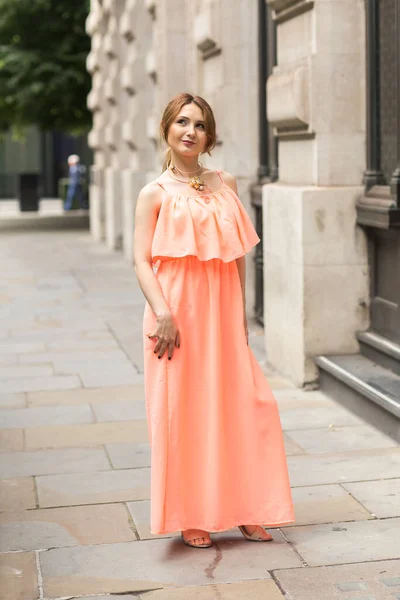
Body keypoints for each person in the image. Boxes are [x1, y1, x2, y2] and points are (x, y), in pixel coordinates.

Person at [133, 93, 295, 549]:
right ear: (166, 128)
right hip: (175, 314)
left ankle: (249, 507)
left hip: (222, 312)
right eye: (182, 122)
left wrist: (239, 314)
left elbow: (236, 253)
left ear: (210, 134)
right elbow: (141, 261)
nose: (191, 131)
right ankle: (194, 514)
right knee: (186, 413)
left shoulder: (226, 182)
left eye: (200, 125)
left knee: (246, 407)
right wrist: (163, 312)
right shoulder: (155, 193)